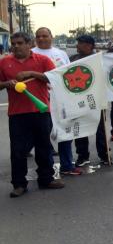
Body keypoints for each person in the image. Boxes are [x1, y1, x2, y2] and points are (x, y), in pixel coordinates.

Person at [0, 32, 65, 197]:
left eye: (20, 43)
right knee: (18, 151)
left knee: (43, 148)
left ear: (29, 44)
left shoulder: (42, 60)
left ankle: (46, 179)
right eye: (13, 44)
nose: (15, 46)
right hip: (17, 114)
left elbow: (54, 79)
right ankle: (19, 184)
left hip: (40, 111)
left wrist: (31, 74)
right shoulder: (4, 62)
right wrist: (6, 84)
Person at [32, 27, 82, 177]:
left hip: (61, 100)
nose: (41, 39)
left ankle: (67, 165)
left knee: (65, 133)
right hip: (40, 101)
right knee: (43, 136)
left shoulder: (61, 54)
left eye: (44, 36)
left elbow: (69, 75)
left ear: (51, 36)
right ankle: (47, 169)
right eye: (38, 36)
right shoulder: (31, 54)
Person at [71, 35, 111, 165]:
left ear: (89, 45)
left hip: (97, 99)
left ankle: (104, 154)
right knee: (80, 128)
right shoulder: (72, 59)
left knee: (101, 129)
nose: (77, 46)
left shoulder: (100, 59)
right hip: (78, 100)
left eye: (80, 43)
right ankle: (82, 156)